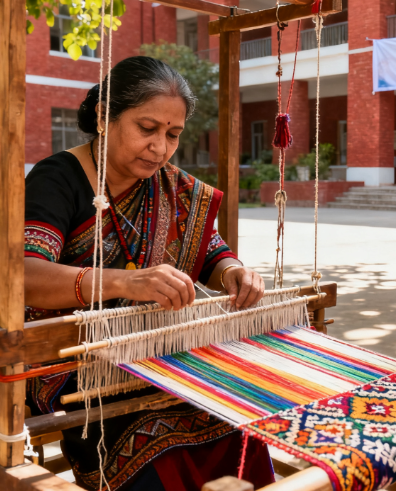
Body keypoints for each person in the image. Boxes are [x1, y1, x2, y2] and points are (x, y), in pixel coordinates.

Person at [24, 56, 272, 491]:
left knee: (235, 417)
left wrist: (233, 271)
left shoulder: (170, 186)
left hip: (157, 348)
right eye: (147, 128)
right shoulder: (57, 179)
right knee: (153, 442)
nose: (161, 147)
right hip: (76, 363)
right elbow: (25, 273)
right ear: (105, 117)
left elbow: (210, 249)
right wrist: (124, 282)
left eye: (173, 134)